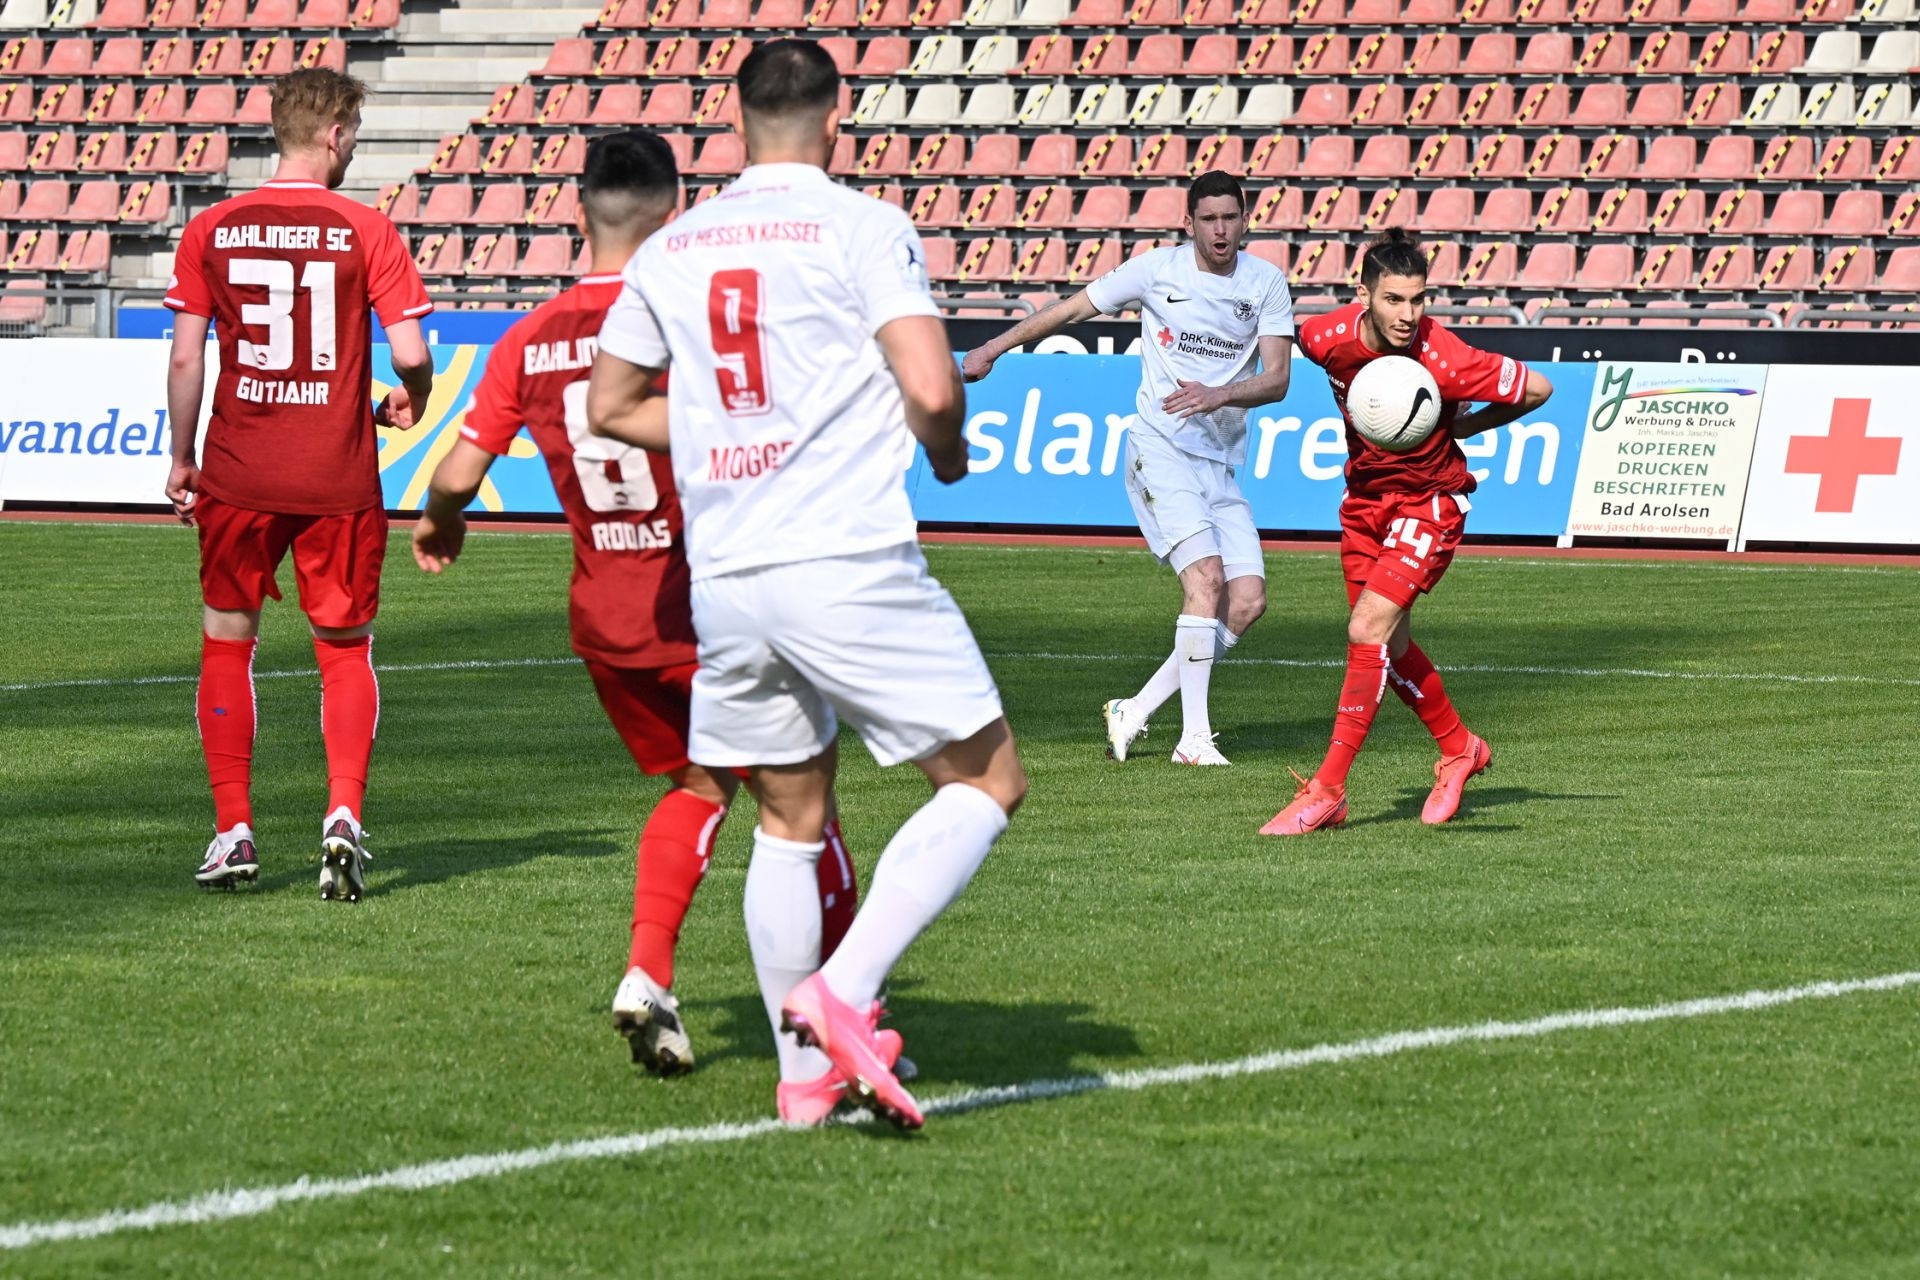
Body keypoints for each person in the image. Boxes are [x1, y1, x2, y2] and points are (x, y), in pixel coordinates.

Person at [586, 39, 1026, 1130]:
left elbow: (609, 402)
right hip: (843, 553)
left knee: (789, 812)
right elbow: (929, 384)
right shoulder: (862, 224)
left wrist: (722, 440)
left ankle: (802, 1082)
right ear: (837, 121)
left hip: (729, 571)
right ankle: (846, 985)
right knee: (986, 779)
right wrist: (951, 450)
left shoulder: (678, 243)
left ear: (736, 123)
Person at [410, 130, 868, 1080]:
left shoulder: (529, 340)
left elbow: (455, 472)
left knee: (699, 789)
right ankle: (851, 1003)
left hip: (606, 621)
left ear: (580, 210)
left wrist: (442, 523)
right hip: (710, 607)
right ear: (678, 210)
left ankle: (650, 972)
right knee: (806, 805)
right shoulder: (690, 319)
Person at [164, 67, 435, 899]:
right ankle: (343, 815)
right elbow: (414, 355)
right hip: (337, 474)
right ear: (337, 136)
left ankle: (234, 829)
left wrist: (183, 459)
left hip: (240, 472)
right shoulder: (367, 228)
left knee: (226, 643)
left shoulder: (213, 226)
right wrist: (407, 401)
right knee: (344, 653)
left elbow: (185, 357)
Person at [961, 172, 1294, 767]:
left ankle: (1135, 709)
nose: (1220, 229)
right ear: (1188, 223)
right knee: (1207, 582)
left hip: (1219, 462)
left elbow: (1277, 380)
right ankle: (1193, 741)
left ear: (1246, 222)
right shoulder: (1155, 271)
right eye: (1208, 218)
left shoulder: (1266, 283)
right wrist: (993, 347)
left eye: (1230, 217)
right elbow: (1070, 311)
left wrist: (1220, 396)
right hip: (1159, 449)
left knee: (1246, 603)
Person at [1261, 229, 1553, 836]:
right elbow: (1286, 342)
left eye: (1418, 299)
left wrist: (1467, 429)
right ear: (1362, 294)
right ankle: (1459, 748)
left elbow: (1538, 388)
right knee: (1386, 650)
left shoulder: (1442, 355)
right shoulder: (1326, 337)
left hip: (1430, 503)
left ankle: (1328, 790)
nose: (1408, 314)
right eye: (1394, 299)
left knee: (1365, 629)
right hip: (1364, 504)